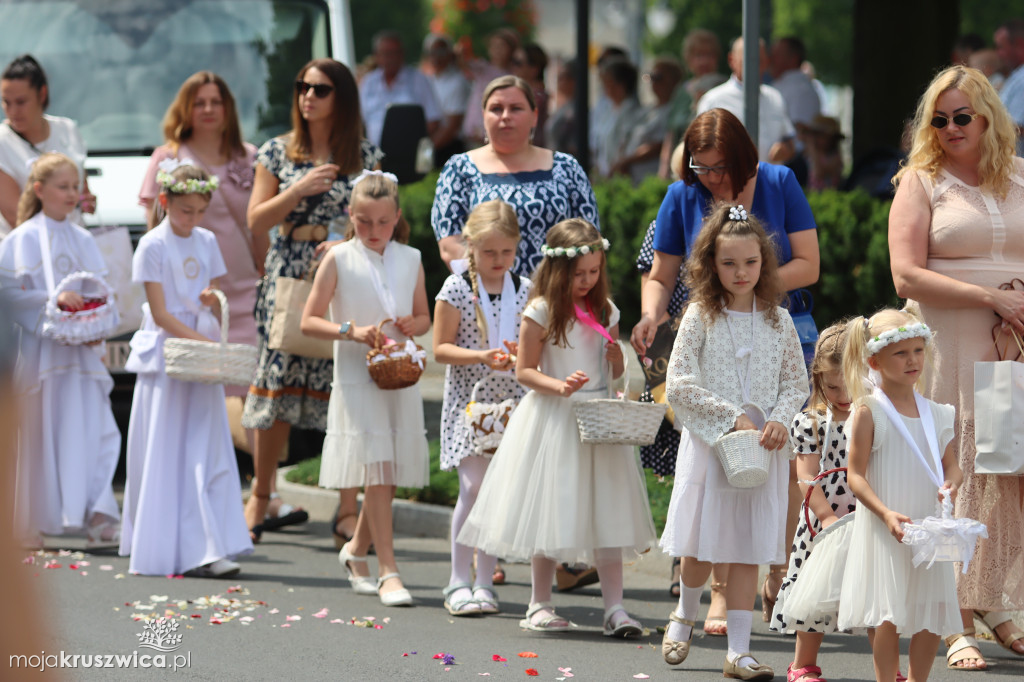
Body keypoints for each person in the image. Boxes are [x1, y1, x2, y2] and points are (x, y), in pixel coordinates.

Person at [632, 109, 819, 621]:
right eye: (701, 167)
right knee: (717, 466)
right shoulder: (681, 196)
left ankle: (776, 573)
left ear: (742, 157)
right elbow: (662, 273)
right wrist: (651, 315)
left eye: (719, 167)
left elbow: (809, 262)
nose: (710, 178)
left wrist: (755, 287)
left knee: (780, 465)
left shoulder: (779, 182)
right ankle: (718, 590)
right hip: (711, 332)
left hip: (782, 327)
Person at [458, 218, 657, 636]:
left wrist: (617, 359)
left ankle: (615, 608)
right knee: (550, 511)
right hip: (554, 419)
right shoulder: (542, 310)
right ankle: (539, 602)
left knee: (609, 513)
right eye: (579, 273)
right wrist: (559, 385)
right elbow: (525, 370)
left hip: (598, 422)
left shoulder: (605, 311)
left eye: (594, 271)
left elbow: (617, 375)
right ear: (558, 270)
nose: (587, 280)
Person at [888, 64, 1024, 670]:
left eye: (961, 116)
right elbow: (905, 275)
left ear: (989, 116)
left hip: (1011, 347)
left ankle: (994, 601)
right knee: (957, 468)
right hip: (949, 341)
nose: (949, 128)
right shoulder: (921, 181)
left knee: (1007, 469)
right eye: (938, 120)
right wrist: (991, 296)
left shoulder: (1019, 178)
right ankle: (952, 617)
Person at [135, 73, 309, 532]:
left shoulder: (248, 157)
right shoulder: (167, 159)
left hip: (247, 288)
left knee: (261, 389)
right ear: (185, 109)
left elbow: (259, 226)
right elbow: (156, 228)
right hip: (195, 300)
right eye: (199, 102)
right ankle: (250, 497)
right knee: (227, 394)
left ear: (229, 107)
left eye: (216, 101)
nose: (208, 110)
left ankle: (262, 495)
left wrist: (271, 276)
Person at [659, 203, 809, 679]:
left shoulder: (778, 321)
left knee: (746, 545)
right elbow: (679, 382)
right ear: (710, 265)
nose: (741, 272)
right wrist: (732, 417)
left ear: (764, 262)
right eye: (729, 263)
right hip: (711, 445)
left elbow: (795, 383)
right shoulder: (700, 315)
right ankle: (685, 612)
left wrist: (781, 420)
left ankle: (739, 653)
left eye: (750, 262)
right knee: (702, 544)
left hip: (761, 451)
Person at [242, 58, 384, 545]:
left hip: (343, 277)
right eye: (302, 86)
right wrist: (298, 188)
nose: (307, 96)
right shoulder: (276, 152)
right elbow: (256, 221)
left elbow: (384, 221)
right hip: (287, 277)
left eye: (320, 89)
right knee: (275, 391)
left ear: (341, 97)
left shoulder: (366, 155)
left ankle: (347, 507)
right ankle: (261, 495)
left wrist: (349, 243)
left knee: (344, 391)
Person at [300, 170, 430, 606]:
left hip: (399, 374)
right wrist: (349, 330)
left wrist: (416, 325)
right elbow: (309, 320)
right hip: (358, 376)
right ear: (350, 216)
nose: (374, 232)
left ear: (396, 217)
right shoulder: (338, 258)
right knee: (378, 471)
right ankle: (387, 569)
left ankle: (355, 551)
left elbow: (424, 317)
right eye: (364, 222)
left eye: (383, 222)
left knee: (386, 476)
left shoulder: (410, 258)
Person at [119, 161, 252, 577]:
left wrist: (211, 303)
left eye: (198, 211)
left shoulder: (207, 239)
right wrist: (206, 344)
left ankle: (210, 544)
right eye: (183, 211)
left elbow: (210, 293)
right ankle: (168, 545)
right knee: (169, 446)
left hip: (201, 347)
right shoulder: (153, 245)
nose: (191, 219)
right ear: (164, 202)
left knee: (206, 444)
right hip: (169, 354)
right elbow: (160, 314)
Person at [0, 152, 120, 549]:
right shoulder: (21, 239)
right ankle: (34, 518)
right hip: (44, 356)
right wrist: (53, 301)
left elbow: (99, 290)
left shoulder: (83, 237)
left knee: (94, 427)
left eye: (76, 187)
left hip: (81, 356)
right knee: (42, 430)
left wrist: (93, 321)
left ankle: (96, 512)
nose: (73, 194)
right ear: (39, 190)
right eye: (64, 187)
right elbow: (8, 294)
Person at [836, 309, 963, 682]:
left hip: (927, 525)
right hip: (886, 526)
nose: (913, 361)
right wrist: (886, 513)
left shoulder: (937, 413)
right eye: (901, 353)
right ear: (874, 361)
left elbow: (951, 465)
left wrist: (952, 482)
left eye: (918, 351)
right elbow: (855, 475)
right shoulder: (868, 412)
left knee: (932, 613)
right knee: (887, 615)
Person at [433, 199, 531, 616]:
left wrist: (515, 354)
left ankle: (484, 579)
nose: (498, 260)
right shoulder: (456, 288)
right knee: (473, 488)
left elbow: (532, 345)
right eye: (489, 252)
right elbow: (440, 348)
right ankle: (458, 578)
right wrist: (482, 356)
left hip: (511, 401)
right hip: (469, 403)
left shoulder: (524, 288)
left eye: (506, 252)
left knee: (495, 493)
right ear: (470, 247)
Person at [433, 75, 599, 279]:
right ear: (483, 115)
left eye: (516, 108)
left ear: (535, 116)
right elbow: (450, 244)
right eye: (496, 109)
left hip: (556, 299)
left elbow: (589, 238)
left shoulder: (567, 167)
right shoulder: (459, 169)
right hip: (487, 301)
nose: (505, 116)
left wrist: (551, 290)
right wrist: (500, 288)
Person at [770, 324, 856, 682]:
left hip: (863, 514)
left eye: (848, 383)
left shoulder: (872, 416)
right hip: (823, 520)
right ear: (818, 380)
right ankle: (802, 663)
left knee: (870, 590)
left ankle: (888, 666)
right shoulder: (809, 421)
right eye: (831, 386)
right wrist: (826, 518)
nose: (841, 393)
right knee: (814, 593)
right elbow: (806, 477)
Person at [0, 55, 95, 238]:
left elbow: (81, 188)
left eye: (20, 102)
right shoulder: (2, 142)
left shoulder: (68, 129)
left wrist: (84, 201)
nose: (12, 111)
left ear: (42, 94)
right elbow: (17, 217)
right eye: (6, 102)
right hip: (30, 255)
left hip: (75, 246)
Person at [698, 37, 795, 164]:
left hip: (768, 181)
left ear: (766, 62)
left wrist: (784, 149)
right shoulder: (713, 100)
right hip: (729, 182)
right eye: (748, 61)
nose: (754, 67)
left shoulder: (775, 97)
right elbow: (700, 148)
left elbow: (789, 141)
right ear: (731, 60)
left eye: (759, 61)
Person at [659, 29, 727, 179]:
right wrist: (664, 169)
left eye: (709, 55)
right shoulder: (681, 92)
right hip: (681, 167)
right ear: (688, 59)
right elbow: (671, 133)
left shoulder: (724, 87)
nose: (704, 61)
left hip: (713, 170)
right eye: (698, 55)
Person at [359, 30, 441, 148]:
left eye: (395, 53)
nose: (391, 58)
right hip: (375, 156)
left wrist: (411, 141)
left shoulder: (418, 80)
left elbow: (433, 121)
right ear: (377, 56)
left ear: (403, 54)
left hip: (408, 155)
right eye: (386, 53)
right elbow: (359, 122)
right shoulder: (368, 82)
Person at [612, 57, 683, 183]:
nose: (653, 82)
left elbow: (658, 146)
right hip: (632, 178)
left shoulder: (674, 111)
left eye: (658, 77)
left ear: (674, 80)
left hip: (651, 179)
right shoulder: (647, 110)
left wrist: (627, 161)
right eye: (651, 77)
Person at [462, 28, 520, 149]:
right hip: (476, 130)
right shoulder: (482, 68)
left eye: (501, 46)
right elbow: (463, 63)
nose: (497, 50)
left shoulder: (514, 75)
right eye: (494, 46)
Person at [422, 33, 470, 167]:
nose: (436, 56)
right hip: (433, 143)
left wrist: (426, 152)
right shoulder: (428, 79)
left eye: (440, 52)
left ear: (449, 54)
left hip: (449, 147)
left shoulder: (457, 81)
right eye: (432, 52)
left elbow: (452, 125)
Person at [595, 58, 643, 178]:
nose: (604, 86)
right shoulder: (608, 109)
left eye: (608, 82)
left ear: (621, 84)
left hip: (618, 176)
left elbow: (624, 144)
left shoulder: (632, 111)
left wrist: (613, 169)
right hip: (604, 174)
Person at [768, 37, 821, 129]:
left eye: (777, 54)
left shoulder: (801, 90)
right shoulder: (792, 86)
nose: (771, 59)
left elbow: (800, 134)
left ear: (794, 58)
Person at [512, 42, 550, 148]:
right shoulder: (532, 93)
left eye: (518, 63)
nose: (513, 66)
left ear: (534, 69)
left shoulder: (536, 97)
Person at [995, 19, 1024, 154]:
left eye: (1001, 47)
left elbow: (1018, 127)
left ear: (1020, 44)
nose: (998, 54)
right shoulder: (1017, 75)